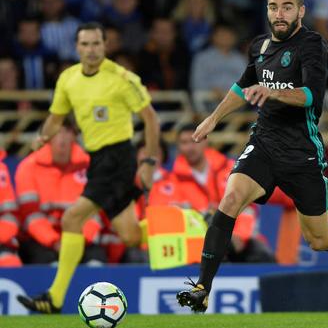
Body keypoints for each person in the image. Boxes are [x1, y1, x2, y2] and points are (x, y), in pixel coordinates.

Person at [176, 0, 328, 313]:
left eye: (287, 7)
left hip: (302, 152)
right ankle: (202, 287)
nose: (280, 13)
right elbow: (243, 84)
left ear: (301, 11)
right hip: (264, 144)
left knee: (320, 240)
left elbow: (311, 96)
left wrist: (272, 92)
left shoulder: (313, 45)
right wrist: (213, 119)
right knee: (230, 199)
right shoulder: (259, 47)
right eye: (274, 7)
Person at [17, 21, 160, 314]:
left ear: (105, 46)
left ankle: (54, 298)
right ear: (76, 47)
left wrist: (148, 162)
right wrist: (42, 137)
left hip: (119, 158)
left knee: (72, 219)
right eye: (85, 44)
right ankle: (191, 228)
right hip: (97, 161)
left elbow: (151, 119)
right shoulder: (68, 79)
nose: (91, 50)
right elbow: (56, 118)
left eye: (96, 44)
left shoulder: (122, 78)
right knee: (130, 235)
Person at [173, 124, 275, 263]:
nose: (190, 147)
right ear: (178, 146)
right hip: (197, 245)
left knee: (262, 255)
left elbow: (247, 208)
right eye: (184, 143)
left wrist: (239, 236)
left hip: (236, 240)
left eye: (195, 141)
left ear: (205, 141)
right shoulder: (172, 181)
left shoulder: (232, 168)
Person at [15, 119, 107, 265]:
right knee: (48, 263)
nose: (62, 138)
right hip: (41, 241)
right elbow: (31, 215)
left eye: (67, 132)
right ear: (47, 137)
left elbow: (94, 214)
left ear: (75, 136)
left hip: (80, 239)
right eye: (57, 132)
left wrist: (76, 242)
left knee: (96, 263)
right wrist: (54, 241)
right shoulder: (28, 167)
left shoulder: (91, 167)